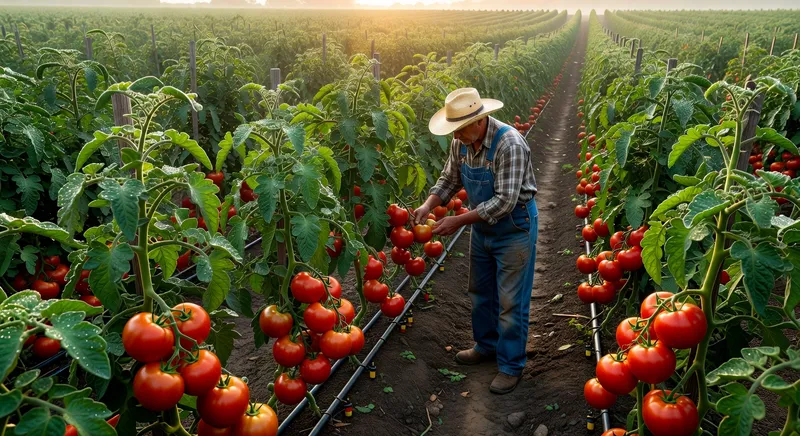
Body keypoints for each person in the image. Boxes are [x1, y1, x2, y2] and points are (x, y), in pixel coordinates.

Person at [413, 88, 538, 394]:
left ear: (479, 121)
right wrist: (428, 205)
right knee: (481, 292)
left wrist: (458, 220)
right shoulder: (462, 143)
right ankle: (486, 346)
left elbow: (505, 202)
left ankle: (510, 366)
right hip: (482, 229)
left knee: (511, 302)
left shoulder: (509, 144)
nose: (455, 137)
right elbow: (449, 179)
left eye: (459, 130)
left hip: (513, 228)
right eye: (453, 130)